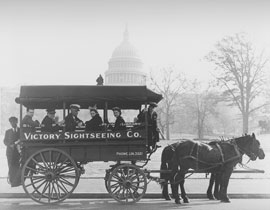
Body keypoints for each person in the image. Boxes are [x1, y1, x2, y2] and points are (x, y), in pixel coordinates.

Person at [3, 117, 21, 187]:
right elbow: (4, 141)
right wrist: (9, 145)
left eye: (14, 122)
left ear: (17, 122)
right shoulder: (8, 132)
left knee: (17, 165)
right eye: (11, 122)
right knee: (10, 166)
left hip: (17, 151)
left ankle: (17, 181)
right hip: (10, 152)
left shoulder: (20, 130)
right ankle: (12, 181)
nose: (13, 124)